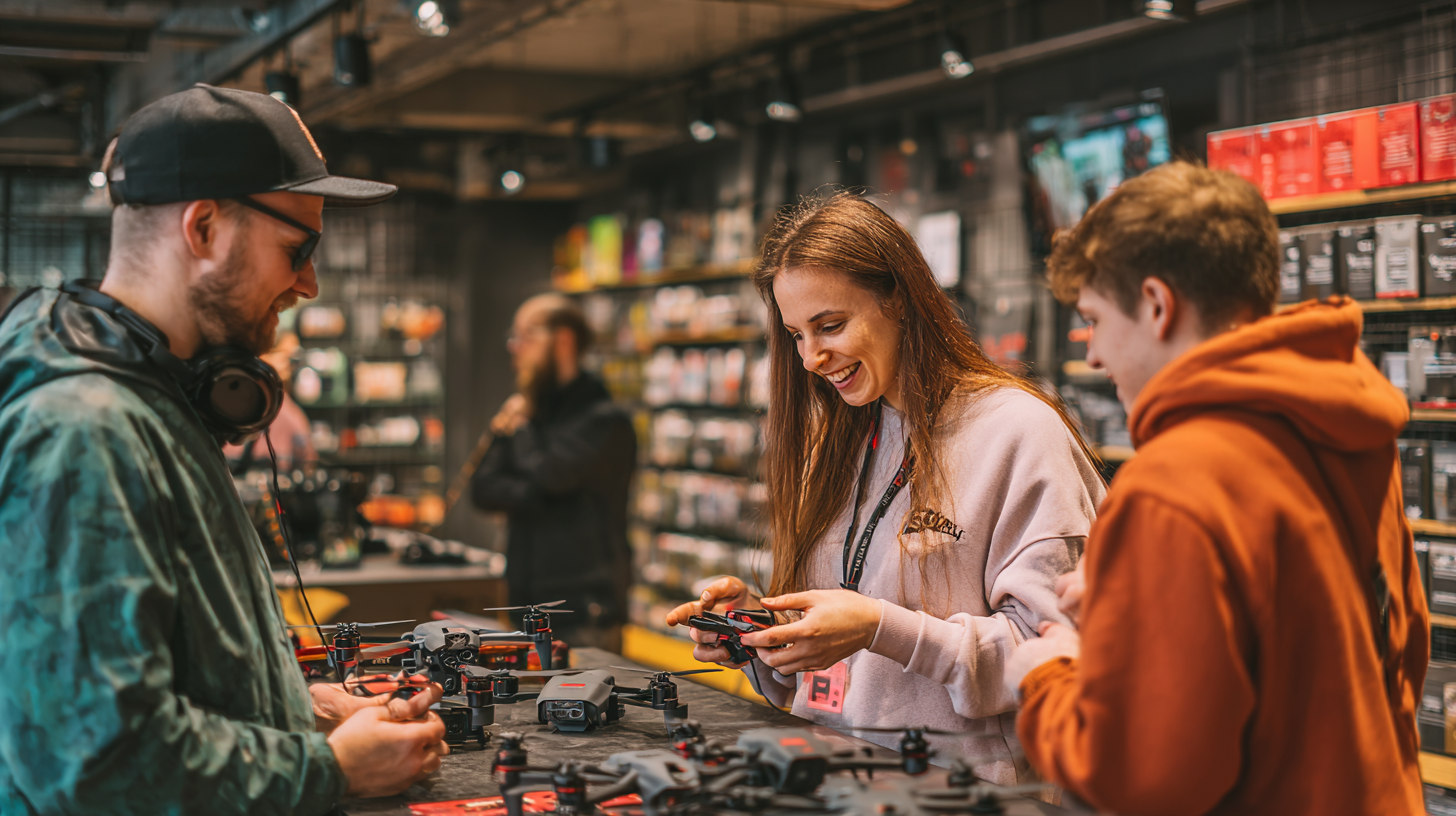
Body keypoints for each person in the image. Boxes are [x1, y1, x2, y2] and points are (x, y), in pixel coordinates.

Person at [0, 85, 449, 814]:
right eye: (297, 249)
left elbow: (163, 675)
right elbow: (94, 765)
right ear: (203, 227)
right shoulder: (83, 430)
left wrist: (300, 710)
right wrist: (330, 769)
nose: (308, 283)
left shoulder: (158, 395)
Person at [1004, 162, 1428, 815]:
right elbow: (1383, 648)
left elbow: (1143, 777)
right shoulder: (1347, 425)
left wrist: (1050, 675)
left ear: (1156, 304)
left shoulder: (1174, 483)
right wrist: (1140, 603)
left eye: (1094, 319)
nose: (1092, 354)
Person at [664, 193, 1105, 785]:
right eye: (796, 335)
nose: (812, 358)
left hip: (957, 791)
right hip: (828, 778)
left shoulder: (1017, 431)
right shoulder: (840, 438)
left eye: (830, 326)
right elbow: (832, 675)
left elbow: (1055, 655)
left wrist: (880, 627)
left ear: (897, 297)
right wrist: (760, 633)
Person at [472, 294, 636, 653]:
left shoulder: (604, 421)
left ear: (563, 340)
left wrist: (520, 429)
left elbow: (549, 476)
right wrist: (534, 492)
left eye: (526, 336)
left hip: (583, 615)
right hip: (523, 608)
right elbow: (483, 487)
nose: (515, 348)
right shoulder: (534, 414)